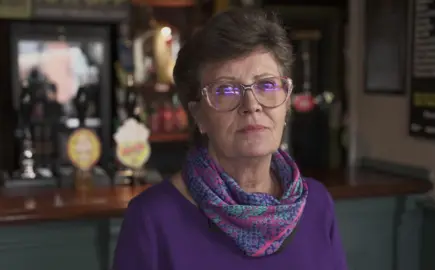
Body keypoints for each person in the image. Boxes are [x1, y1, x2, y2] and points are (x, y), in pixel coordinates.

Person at [113, 7, 348, 270]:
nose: (251, 105)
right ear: (198, 115)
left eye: (267, 85)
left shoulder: (316, 203)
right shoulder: (152, 218)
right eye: (226, 89)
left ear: (286, 103)